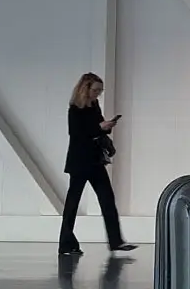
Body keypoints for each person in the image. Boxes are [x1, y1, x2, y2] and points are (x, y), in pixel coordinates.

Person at [57, 73, 134, 257]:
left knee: (107, 199)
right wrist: (100, 128)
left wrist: (106, 126)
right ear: (86, 89)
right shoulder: (75, 109)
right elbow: (76, 134)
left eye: (100, 91)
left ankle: (116, 241)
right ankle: (66, 243)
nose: (98, 94)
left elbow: (96, 127)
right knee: (72, 204)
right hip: (79, 162)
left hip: (94, 160)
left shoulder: (94, 105)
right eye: (96, 90)